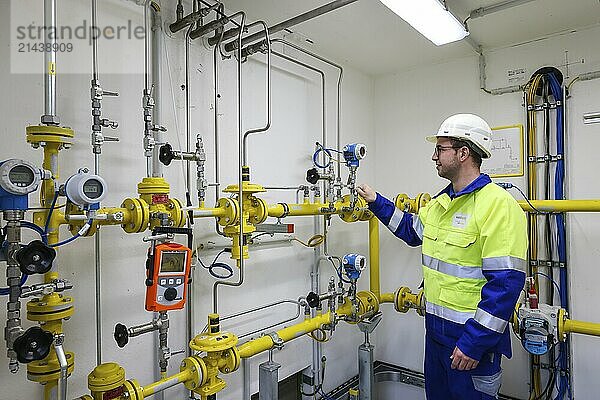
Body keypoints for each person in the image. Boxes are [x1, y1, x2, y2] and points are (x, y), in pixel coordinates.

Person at [357, 114, 527, 400]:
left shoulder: (498, 205)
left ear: (463, 153)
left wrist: (474, 342)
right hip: (436, 336)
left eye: (441, 149)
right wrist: (377, 202)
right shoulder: (439, 204)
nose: (434, 156)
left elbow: (506, 284)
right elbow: (411, 230)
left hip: (470, 342)